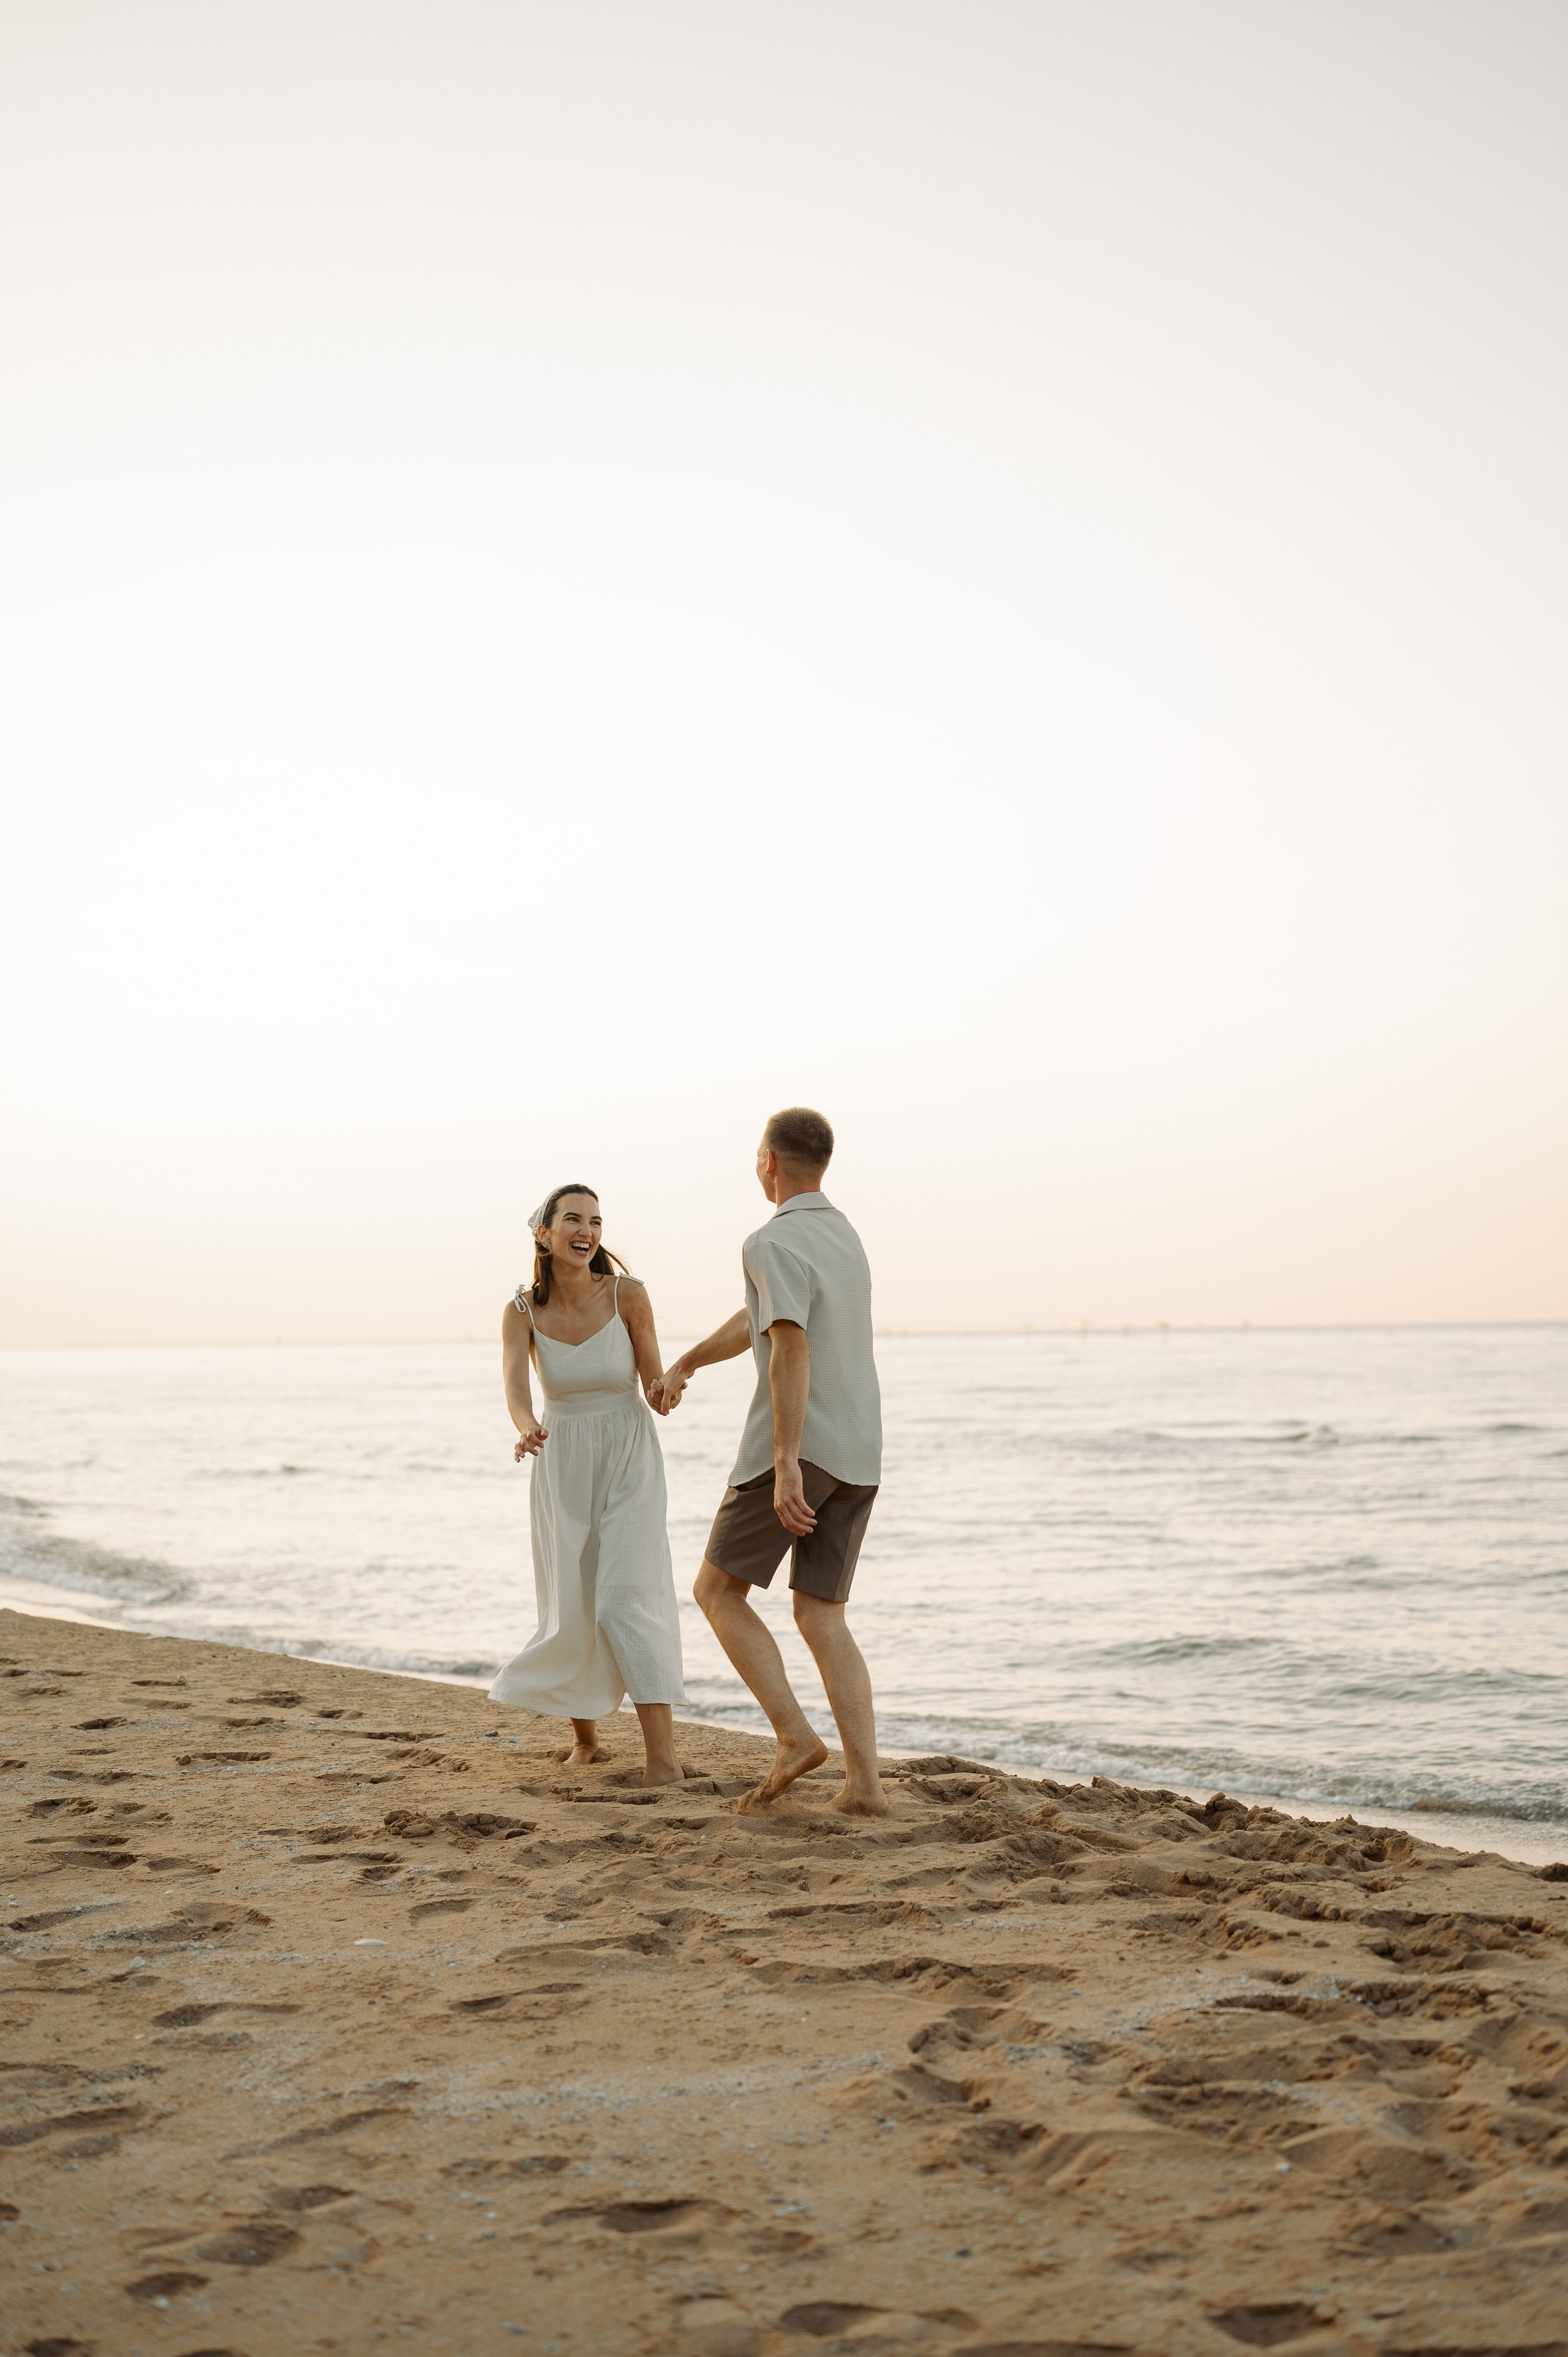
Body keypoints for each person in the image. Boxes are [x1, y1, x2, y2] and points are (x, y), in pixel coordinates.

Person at [655, 1108, 887, 1816]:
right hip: (859, 1449)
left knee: (716, 1590)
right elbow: (761, 1312)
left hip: (802, 1448)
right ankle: (866, 1788)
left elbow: (790, 1345)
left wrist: (785, 1462)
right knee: (821, 1614)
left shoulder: (769, 1238)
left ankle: (793, 1737)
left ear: (768, 1161)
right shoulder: (842, 1235)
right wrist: (691, 1358)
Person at [490, 1183, 685, 1787]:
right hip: (562, 1458)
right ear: (543, 1233)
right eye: (573, 1218)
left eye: (596, 1220)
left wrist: (668, 1388)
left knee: (624, 1597)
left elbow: (654, 1386)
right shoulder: (521, 1311)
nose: (588, 1229)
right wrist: (526, 1429)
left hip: (628, 1454)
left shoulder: (629, 1294)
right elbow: (518, 1390)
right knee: (571, 1599)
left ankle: (662, 1758)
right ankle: (585, 1739)